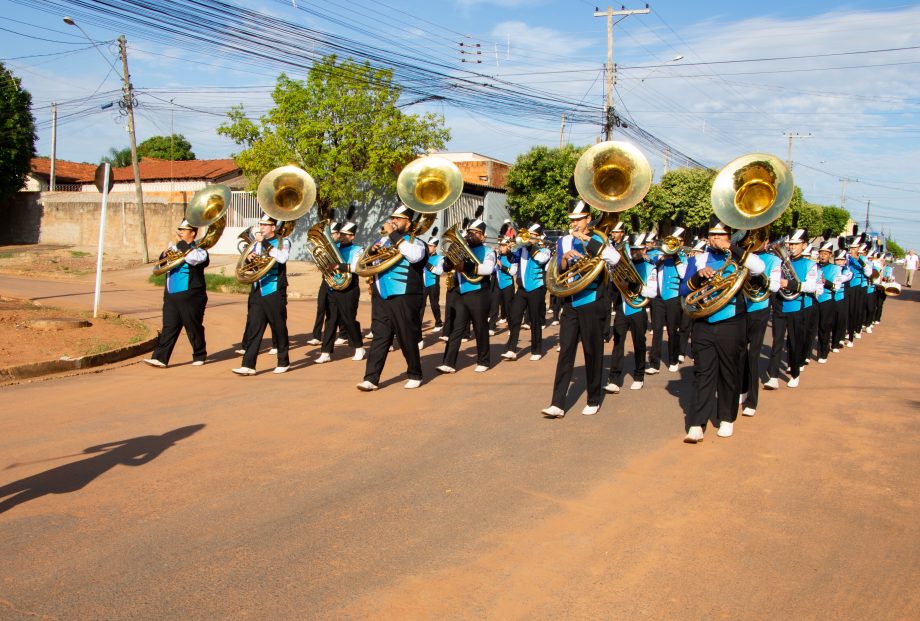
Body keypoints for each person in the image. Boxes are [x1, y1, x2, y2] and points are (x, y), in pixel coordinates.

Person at [680, 220, 765, 443]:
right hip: (704, 321)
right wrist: (699, 276)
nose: (715, 238)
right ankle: (697, 423)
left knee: (729, 371)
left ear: (730, 236)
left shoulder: (739, 256)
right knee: (702, 373)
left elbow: (759, 268)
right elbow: (683, 289)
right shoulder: (698, 258)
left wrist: (732, 249)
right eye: (712, 234)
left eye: (720, 235)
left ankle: (726, 418)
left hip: (732, 321)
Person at [541, 201, 621, 418]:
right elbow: (558, 270)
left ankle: (593, 398)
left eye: (578, 219)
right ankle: (557, 403)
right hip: (570, 300)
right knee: (565, 351)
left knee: (592, 351)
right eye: (572, 220)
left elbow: (615, 259)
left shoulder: (598, 238)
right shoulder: (564, 240)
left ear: (588, 219)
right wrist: (566, 259)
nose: (574, 224)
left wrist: (587, 241)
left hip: (592, 300)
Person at [356, 205, 428, 391]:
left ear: (408, 222)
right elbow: (368, 265)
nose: (393, 221)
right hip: (382, 295)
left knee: (406, 336)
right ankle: (371, 378)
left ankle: (415, 374)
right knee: (380, 336)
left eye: (398, 219)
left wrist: (393, 236)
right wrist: (372, 252)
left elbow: (414, 257)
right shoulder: (385, 242)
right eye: (392, 218)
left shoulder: (416, 242)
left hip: (405, 295)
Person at [144, 220, 210, 368]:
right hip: (171, 295)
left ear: (192, 233)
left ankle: (200, 354)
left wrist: (180, 246)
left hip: (192, 296)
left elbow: (194, 259)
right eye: (179, 229)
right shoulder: (173, 248)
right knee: (169, 326)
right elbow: (161, 264)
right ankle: (160, 358)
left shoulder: (200, 250)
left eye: (183, 229)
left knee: (193, 326)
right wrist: (165, 253)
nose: (179, 232)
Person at [233, 214, 291, 375]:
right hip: (258, 288)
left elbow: (282, 258)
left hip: (274, 290)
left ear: (273, 227)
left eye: (265, 225)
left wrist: (263, 243)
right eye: (260, 224)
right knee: (254, 327)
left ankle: (283, 361)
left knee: (278, 326)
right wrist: (250, 259)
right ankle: (248, 365)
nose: (261, 228)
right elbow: (254, 264)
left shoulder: (283, 241)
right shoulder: (256, 244)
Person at [437, 217, 496, 374]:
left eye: (476, 233)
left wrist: (467, 266)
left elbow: (488, 269)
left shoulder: (489, 251)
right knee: (457, 328)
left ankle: (484, 360)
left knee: (480, 327)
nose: (471, 235)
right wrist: (449, 262)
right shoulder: (461, 249)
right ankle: (448, 363)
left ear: (482, 236)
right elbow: (444, 268)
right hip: (461, 292)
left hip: (479, 293)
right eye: (469, 232)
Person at [605, 232, 658, 393]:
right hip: (622, 308)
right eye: (633, 249)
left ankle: (639, 376)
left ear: (644, 250)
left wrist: (636, 287)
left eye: (638, 249)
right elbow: (614, 286)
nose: (635, 252)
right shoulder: (623, 264)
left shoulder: (650, 267)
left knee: (639, 343)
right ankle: (614, 379)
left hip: (638, 309)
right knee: (618, 343)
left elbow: (653, 292)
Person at [739, 234, 780, 417]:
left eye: (758, 239)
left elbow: (776, 286)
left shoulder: (773, 260)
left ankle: (752, 401)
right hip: (739, 309)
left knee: (753, 354)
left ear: (765, 242)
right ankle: (741, 389)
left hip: (759, 307)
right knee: (738, 353)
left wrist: (758, 277)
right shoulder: (741, 255)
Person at [314, 220, 365, 364]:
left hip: (349, 289)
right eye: (341, 234)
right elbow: (324, 264)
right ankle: (325, 352)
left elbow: (356, 268)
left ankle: (359, 347)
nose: (342, 236)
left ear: (352, 236)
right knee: (330, 321)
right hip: (333, 288)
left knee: (348, 319)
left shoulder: (358, 250)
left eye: (346, 235)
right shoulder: (333, 247)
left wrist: (338, 265)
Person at [501, 224, 551, 361]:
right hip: (522, 289)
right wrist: (509, 251)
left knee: (535, 319)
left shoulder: (545, 250)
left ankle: (537, 349)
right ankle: (511, 349)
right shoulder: (522, 249)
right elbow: (512, 259)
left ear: (538, 237)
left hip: (536, 289)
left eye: (532, 235)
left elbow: (542, 259)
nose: (528, 237)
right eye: (528, 234)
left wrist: (530, 246)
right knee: (514, 316)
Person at [648, 227, 687, 374]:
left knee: (673, 330)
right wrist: (661, 258)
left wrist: (675, 257)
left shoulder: (682, 258)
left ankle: (673, 360)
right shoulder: (658, 257)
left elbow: (683, 274)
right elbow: (650, 267)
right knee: (657, 330)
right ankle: (654, 363)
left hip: (673, 298)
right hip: (658, 299)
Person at [307, 222, 340, 346]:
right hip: (326, 280)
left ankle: (343, 334)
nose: (330, 236)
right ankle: (316, 336)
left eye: (331, 234)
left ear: (337, 234)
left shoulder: (340, 247)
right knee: (321, 307)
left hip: (338, 280)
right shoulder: (326, 246)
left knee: (337, 311)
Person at [489, 237, 515, 335]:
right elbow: (493, 271)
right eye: (500, 246)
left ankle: (511, 327)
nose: (501, 247)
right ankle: (491, 327)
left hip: (508, 284)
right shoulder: (498, 256)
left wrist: (501, 266)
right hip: (497, 284)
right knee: (494, 306)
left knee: (509, 307)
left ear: (508, 247)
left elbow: (513, 272)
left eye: (503, 246)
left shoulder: (512, 257)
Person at [422, 235, 444, 332]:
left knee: (434, 304)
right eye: (428, 245)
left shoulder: (440, 258)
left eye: (431, 246)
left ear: (435, 247)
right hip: (423, 284)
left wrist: (428, 265)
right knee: (421, 305)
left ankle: (438, 323)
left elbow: (439, 272)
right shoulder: (423, 257)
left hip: (433, 284)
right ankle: (418, 324)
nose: (428, 248)